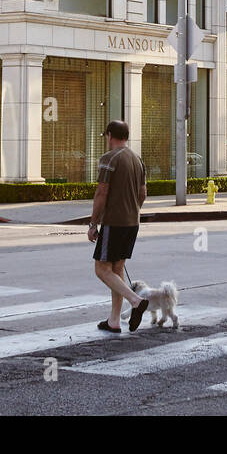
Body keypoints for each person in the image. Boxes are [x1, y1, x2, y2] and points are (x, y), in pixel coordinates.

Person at [88, 119, 152, 333]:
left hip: (113, 223)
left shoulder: (109, 158)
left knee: (101, 269)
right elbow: (143, 194)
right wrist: (132, 210)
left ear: (109, 135)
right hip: (132, 222)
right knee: (116, 269)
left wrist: (93, 223)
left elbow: (101, 192)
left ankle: (135, 301)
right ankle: (114, 320)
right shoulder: (138, 159)